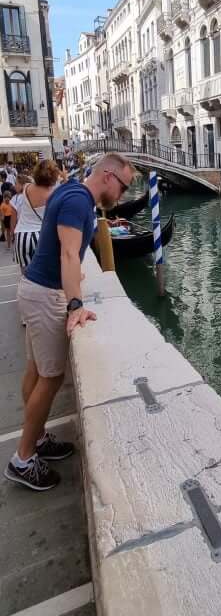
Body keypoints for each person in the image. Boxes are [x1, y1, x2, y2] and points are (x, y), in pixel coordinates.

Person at [4, 152, 135, 492]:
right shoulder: (79, 200)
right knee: (50, 377)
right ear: (108, 176)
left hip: (34, 289)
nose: (121, 196)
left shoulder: (70, 190)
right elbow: (67, 253)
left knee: (36, 369)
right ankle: (22, 458)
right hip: (45, 294)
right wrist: (75, 303)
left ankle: (40, 437)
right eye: (123, 187)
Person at [12, 161, 60, 270]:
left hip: (22, 237)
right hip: (42, 237)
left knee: (27, 278)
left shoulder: (27, 187)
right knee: (45, 275)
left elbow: (21, 184)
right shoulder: (54, 195)